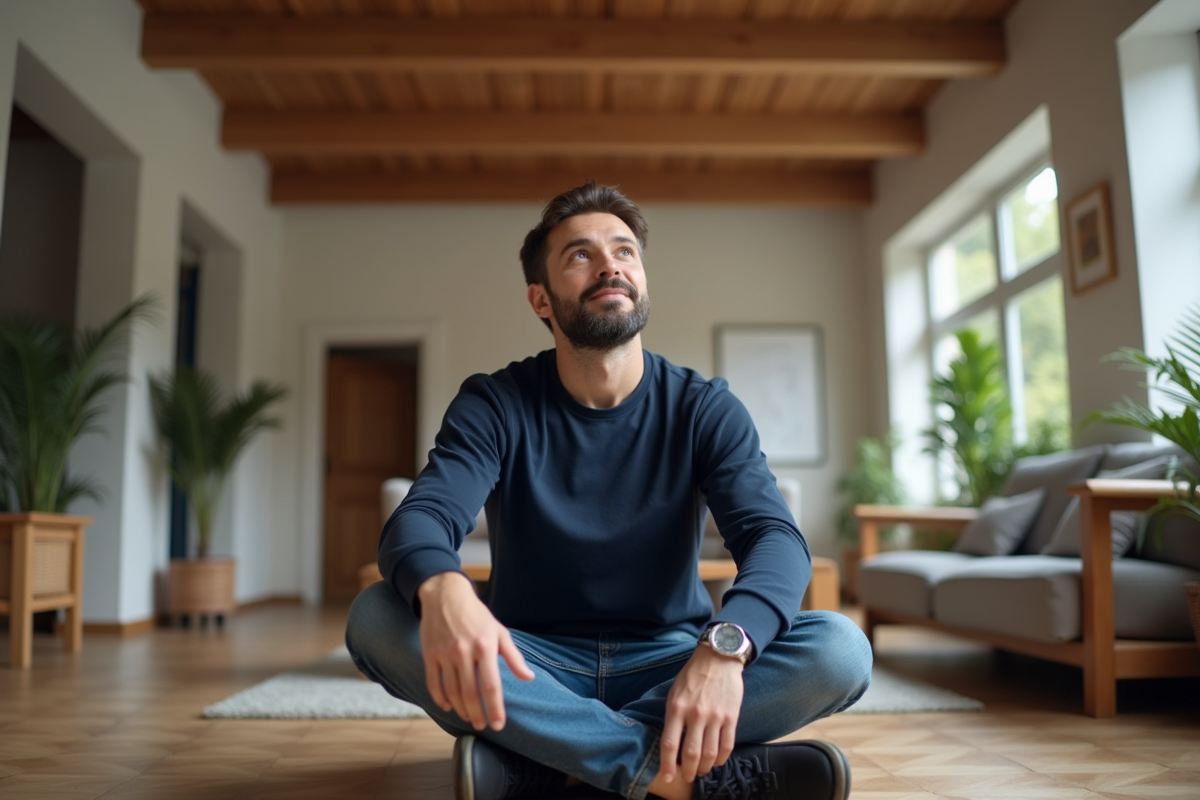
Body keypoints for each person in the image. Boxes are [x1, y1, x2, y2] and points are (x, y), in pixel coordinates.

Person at [346, 182, 872, 800]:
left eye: (625, 251)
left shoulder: (705, 407)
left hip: (674, 660)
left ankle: (544, 762)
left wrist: (725, 649)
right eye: (580, 254)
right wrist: (444, 591)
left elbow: (774, 539)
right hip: (528, 664)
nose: (609, 265)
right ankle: (671, 778)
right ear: (541, 299)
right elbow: (423, 515)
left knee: (840, 649)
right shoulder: (494, 403)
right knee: (376, 617)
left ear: (642, 278)